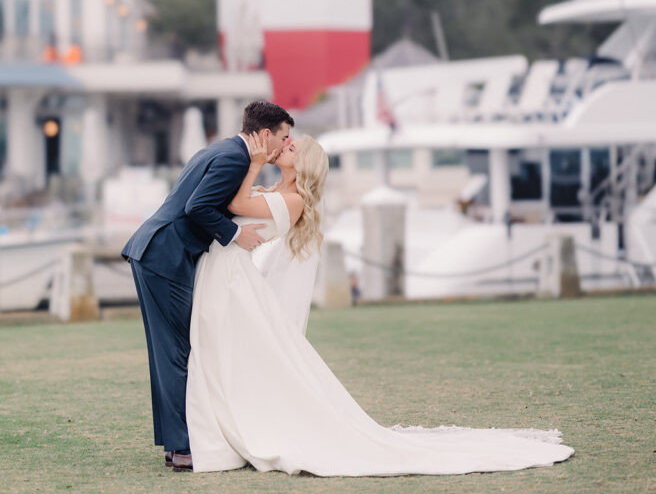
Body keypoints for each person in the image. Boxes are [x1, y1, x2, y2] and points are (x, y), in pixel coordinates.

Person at [186, 135, 575, 477]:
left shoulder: (291, 201)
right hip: (231, 277)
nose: (285, 145)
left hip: (234, 278)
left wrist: (252, 164)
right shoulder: (277, 190)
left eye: (293, 146)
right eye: (287, 142)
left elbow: (234, 202)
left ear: (303, 163)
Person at [121, 99, 294, 472]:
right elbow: (196, 207)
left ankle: (175, 445)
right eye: (283, 138)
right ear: (265, 135)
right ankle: (183, 447)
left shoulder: (220, 149)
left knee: (171, 350)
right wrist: (235, 235)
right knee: (178, 351)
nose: (284, 146)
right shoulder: (234, 158)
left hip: (155, 252)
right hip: (164, 256)